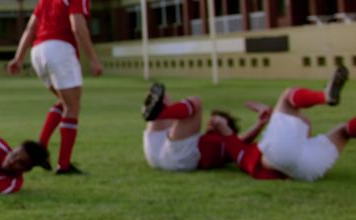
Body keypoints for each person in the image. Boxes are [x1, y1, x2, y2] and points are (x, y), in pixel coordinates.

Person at [7, 0, 101, 175]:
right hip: (59, 49)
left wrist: (19, 57)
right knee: (72, 106)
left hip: (39, 52)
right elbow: (78, 27)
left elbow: (31, 28)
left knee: (65, 102)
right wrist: (94, 59)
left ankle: (41, 149)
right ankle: (64, 164)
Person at [249, 67, 352, 182]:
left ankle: (326, 96)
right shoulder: (232, 143)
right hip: (286, 156)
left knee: (345, 131)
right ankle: (324, 96)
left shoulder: (232, 147)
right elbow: (233, 139)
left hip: (307, 169)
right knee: (287, 97)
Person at [141, 83, 270, 172]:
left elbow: (242, 142)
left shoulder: (225, 144)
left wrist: (259, 124)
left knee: (196, 101)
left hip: (178, 160)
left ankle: (161, 111)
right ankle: (161, 109)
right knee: (165, 98)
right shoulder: (202, 138)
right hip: (155, 154)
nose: (212, 121)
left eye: (217, 118)